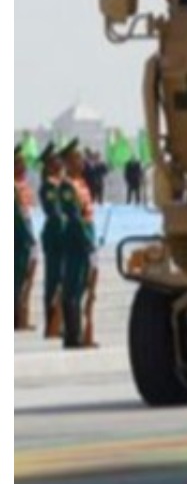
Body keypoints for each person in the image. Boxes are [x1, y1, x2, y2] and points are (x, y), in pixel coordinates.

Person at [55, 140, 98, 349]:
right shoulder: (66, 186)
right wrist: (87, 242)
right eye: (76, 159)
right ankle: (72, 336)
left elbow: (86, 214)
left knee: (81, 287)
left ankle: (77, 333)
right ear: (67, 163)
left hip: (85, 237)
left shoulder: (80, 182)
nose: (81, 162)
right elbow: (74, 217)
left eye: (80, 158)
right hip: (75, 241)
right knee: (72, 288)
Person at [37, 145, 66, 342]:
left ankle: (58, 322)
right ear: (49, 165)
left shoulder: (58, 185)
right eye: (56, 161)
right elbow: (54, 213)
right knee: (53, 280)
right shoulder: (48, 186)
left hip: (61, 236)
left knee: (61, 280)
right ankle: (51, 323)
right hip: (55, 237)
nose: (60, 164)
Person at [15, 145, 36, 331]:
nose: (23, 167)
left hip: (24, 234)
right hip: (18, 238)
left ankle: (20, 317)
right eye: (18, 163)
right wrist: (28, 238)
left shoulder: (21, 184)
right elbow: (17, 217)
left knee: (23, 278)